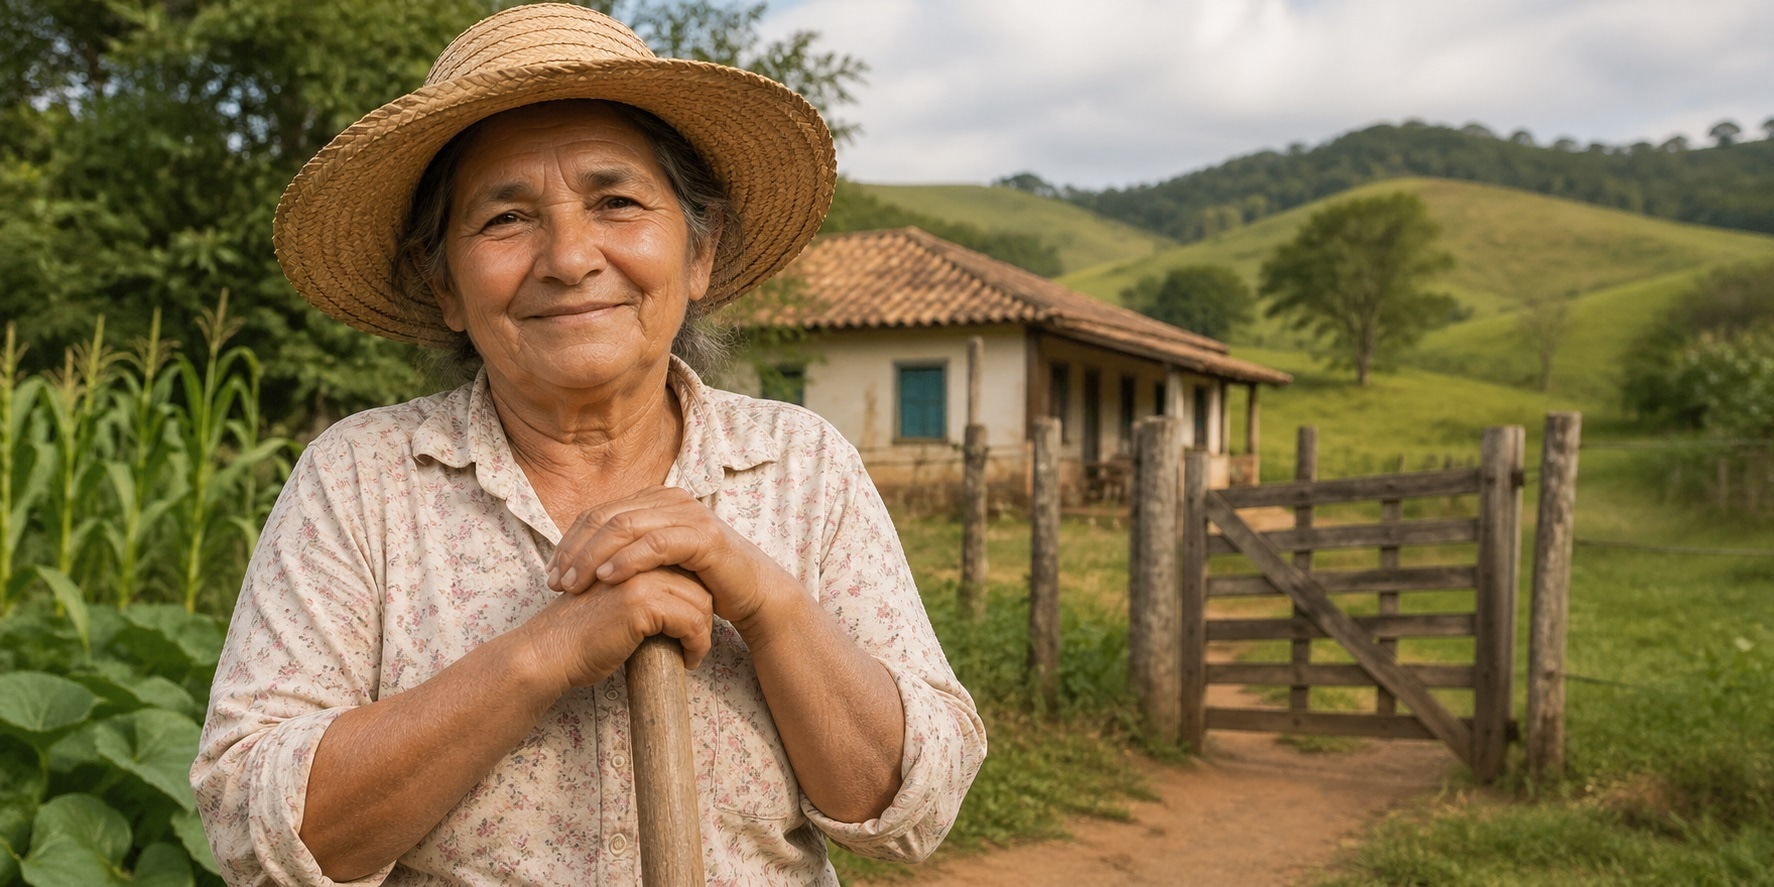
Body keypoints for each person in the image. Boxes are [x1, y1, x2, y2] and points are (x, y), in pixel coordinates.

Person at [190, 5, 985, 884]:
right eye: (504, 219)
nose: (569, 257)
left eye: (616, 202)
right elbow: (254, 834)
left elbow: (910, 808)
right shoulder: (361, 480)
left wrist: (764, 600)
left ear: (701, 252)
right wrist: (545, 652)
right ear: (443, 283)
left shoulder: (801, 465)